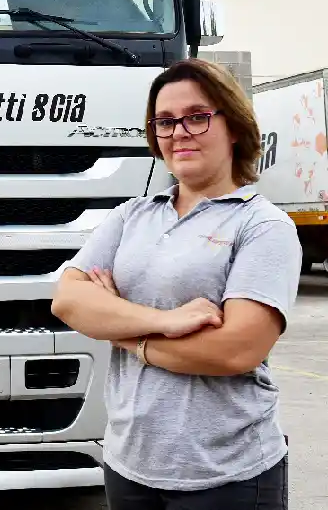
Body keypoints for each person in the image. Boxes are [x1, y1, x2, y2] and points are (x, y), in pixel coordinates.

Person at [52, 58, 302, 509]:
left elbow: (235, 350)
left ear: (234, 127)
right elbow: (68, 300)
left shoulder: (263, 226)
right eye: (165, 122)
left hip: (227, 473)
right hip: (130, 464)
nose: (179, 132)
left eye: (197, 117)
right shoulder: (131, 216)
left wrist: (126, 336)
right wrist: (165, 322)